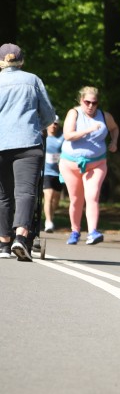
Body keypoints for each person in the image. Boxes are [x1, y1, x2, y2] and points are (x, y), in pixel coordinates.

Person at [0, 43, 57, 262]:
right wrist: (35, 126)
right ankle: (21, 237)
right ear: (21, 61)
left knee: (3, 195)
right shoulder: (33, 80)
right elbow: (49, 115)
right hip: (28, 143)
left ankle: (4, 243)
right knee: (25, 192)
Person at [59, 86, 119, 246]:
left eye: (94, 103)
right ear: (81, 100)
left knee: (92, 196)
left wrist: (114, 142)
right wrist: (88, 130)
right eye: (87, 102)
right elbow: (68, 135)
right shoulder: (74, 113)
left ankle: (93, 232)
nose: (91, 106)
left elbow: (114, 128)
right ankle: (75, 231)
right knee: (76, 199)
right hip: (71, 165)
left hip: (96, 163)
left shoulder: (105, 116)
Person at [42, 119, 64, 232]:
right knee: (48, 195)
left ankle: (51, 216)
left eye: (56, 124)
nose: (53, 126)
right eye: (51, 123)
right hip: (46, 172)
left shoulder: (62, 137)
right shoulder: (42, 137)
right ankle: (48, 221)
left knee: (56, 198)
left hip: (59, 173)